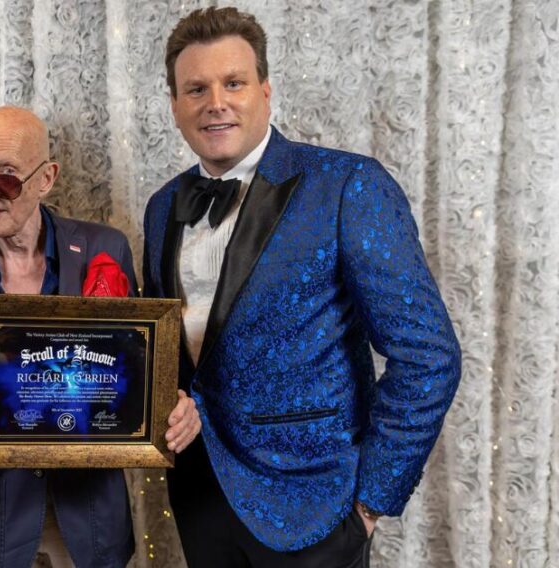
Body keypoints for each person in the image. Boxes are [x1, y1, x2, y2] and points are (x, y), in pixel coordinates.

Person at [142, 7, 462, 568]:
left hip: (317, 508)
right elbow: (166, 353)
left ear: (264, 90)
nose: (215, 101)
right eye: (196, 88)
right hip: (200, 498)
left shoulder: (348, 185)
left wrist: (369, 503)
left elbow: (428, 355)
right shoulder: (163, 206)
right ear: (174, 105)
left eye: (233, 83)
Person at [0, 106, 201, 567]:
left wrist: (171, 406)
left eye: (6, 178)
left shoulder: (104, 248)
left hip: (91, 519)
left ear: (45, 178)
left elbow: (134, 371)